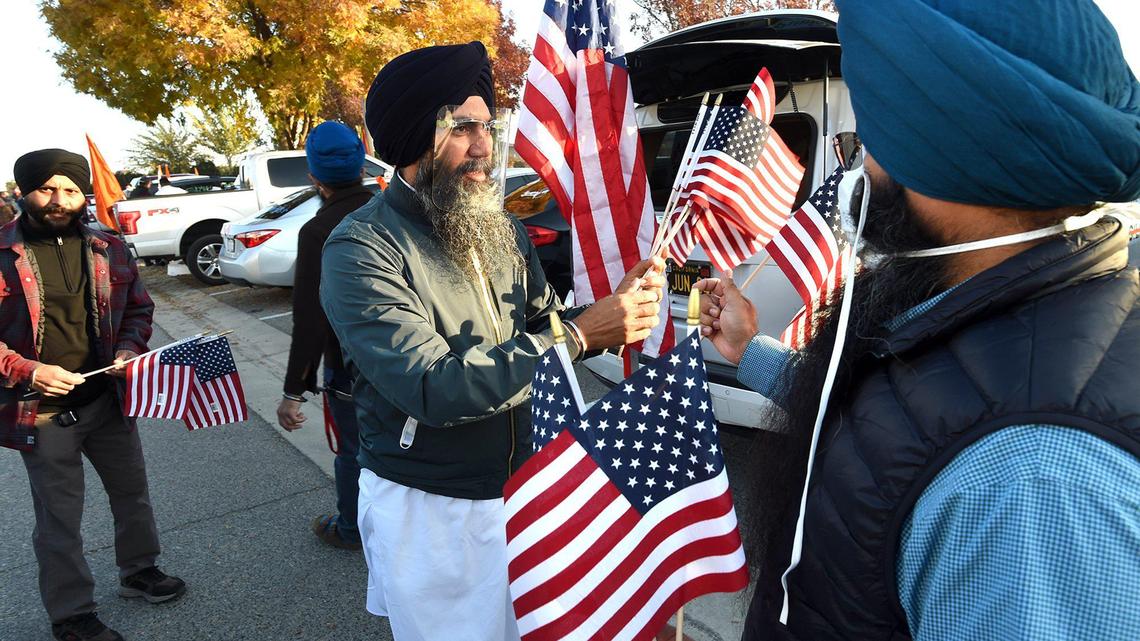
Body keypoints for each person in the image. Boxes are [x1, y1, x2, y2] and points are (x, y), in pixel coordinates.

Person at [694, 2, 1140, 640]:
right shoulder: (985, 304)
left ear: (942, 160)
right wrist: (749, 350)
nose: (859, 166)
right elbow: (896, 416)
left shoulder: (1034, 484)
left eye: (867, 141)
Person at [321, 42, 666, 641]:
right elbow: (432, 388)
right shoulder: (361, 249)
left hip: (528, 486)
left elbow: (545, 321)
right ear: (412, 140)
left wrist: (612, 310)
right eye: (462, 127)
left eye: (487, 126)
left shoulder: (498, 224)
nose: (483, 145)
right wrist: (584, 334)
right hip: (433, 508)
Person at [2, 149, 186, 641]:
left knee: (132, 494)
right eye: (46, 188)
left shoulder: (110, 246)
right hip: (41, 412)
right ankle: (72, 615)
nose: (58, 200)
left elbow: (139, 311)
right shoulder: (1, 255)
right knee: (59, 518)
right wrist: (28, 369)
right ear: (24, 191)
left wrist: (128, 349)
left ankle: (139, 571)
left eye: (69, 189)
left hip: (108, 399)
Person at [275, 121, 373, 550]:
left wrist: (293, 391)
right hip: (409, 359)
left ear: (314, 177)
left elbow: (310, 319)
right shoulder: (391, 212)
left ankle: (352, 528)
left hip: (349, 368)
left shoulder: (318, 231)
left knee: (354, 452)